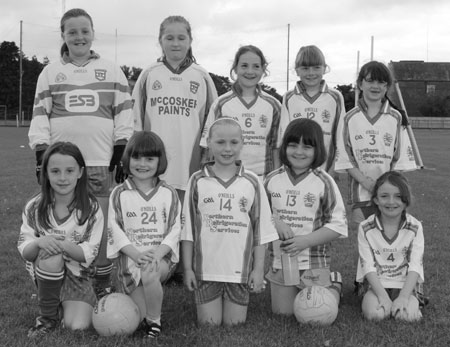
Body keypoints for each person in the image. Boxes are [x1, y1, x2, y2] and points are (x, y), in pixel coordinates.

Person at [28, 8, 134, 296]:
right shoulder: (50, 72)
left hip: (99, 162)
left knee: (100, 224)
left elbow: (125, 112)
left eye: (84, 31)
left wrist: (121, 148)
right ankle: (52, 277)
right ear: (63, 35)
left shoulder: (112, 70)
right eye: (72, 31)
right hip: (61, 167)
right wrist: (41, 154)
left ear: (93, 34)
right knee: (56, 220)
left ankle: (100, 283)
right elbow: (39, 115)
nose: (79, 36)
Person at [181, 118, 279, 325]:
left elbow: (261, 229)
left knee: (234, 324)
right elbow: (187, 229)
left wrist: (258, 269)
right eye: (220, 142)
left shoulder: (252, 181)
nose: (227, 149)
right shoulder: (198, 180)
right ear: (209, 142)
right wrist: (188, 268)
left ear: (243, 143)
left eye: (234, 142)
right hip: (205, 270)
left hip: (240, 271)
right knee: (210, 323)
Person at [17, 142, 104, 338]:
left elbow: (87, 254)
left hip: (78, 274)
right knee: (51, 256)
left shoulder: (91, 208)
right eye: (55, 171)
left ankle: (62, 303)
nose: (63, 178)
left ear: (80, 172)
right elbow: (26, 251)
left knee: (77, 326)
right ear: (46, 173)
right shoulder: (34, 206)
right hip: (46, 268)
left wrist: (60, 244)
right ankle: (47, 318)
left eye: (69, 171)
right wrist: (41, 242)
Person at [264, 118, 347, 321]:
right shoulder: (271, 180)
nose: (299, 152)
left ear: (317, 150)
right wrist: (276, 222)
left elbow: (338, 225)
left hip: (313, 260)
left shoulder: (324, 182)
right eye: (293, 145)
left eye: (307, 146)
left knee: (316, 312)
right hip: (281, 260)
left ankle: (334, 285)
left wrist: (305, 241)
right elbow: (259, 216)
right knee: (283, 313)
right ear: (284, 147)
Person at [132, 15, 218, 202]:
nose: (175, 43)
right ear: (160, 41)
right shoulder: (149, 74)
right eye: (169, 38)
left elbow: (214, 120)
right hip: (153, 160)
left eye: (181, 38)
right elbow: (136, 117)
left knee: (186, 216)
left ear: (190, 41)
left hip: (190, 161)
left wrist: (206, 153)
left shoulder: (201, 75)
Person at [107, 131, 181, 338]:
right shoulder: (119, 194)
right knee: (135, 317)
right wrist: (135, 255)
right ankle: (145, 311)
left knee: (150, 271)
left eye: (150, 158)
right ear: (127, 158)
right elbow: (115, 229)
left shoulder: (169, 193)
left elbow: (175, 229)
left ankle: (155, 322)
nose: (142, 164)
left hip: (161, 258)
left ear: (160, 161)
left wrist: (156, 254)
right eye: (136, 157)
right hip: (131, 259)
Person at [335, 61, 417, 231]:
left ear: (387, 87)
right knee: (364, 241)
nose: (375, 86)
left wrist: (384, 186)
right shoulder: (349, 118)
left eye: (381, 82)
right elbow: (345, 157)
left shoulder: (396, 118)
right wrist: (366, 182)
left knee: (389, 239)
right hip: (361, 192)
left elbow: (400, 160)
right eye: (370, 81)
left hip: (391, 194)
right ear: (360, 83)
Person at [200, 45, 281, 177]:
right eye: (244, 65)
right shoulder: (221, 104)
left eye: (256, 66)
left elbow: (277, 148)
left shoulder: (274, 105)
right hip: (228, 178)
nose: (250, 71)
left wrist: (273, 181)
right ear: (235, 68)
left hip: (263, 178)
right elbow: (208, 148)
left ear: (263, 70)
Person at [356, 171, 424, 321]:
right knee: (376, 314)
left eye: (398, 196)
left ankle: (413, 304)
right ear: (375, 200)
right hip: (376, 285)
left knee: (407, 316)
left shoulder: (415, 226)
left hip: (405, 284)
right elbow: (367, 266)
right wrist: (383, 296)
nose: (391, 202)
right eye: (384, 196)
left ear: (406, 200)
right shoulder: (365, 227)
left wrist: (404, 297)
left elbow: (415, 266)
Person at [278, 45, 345, 172]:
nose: (311, 73)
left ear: (324, 69)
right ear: (296, 70)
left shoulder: (335, 97)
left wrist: (335, 167)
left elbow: (341, 133)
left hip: (326, 168)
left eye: (316, 68)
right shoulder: (289, 97)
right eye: (305, 68)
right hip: (296, 166)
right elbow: (284, 134)